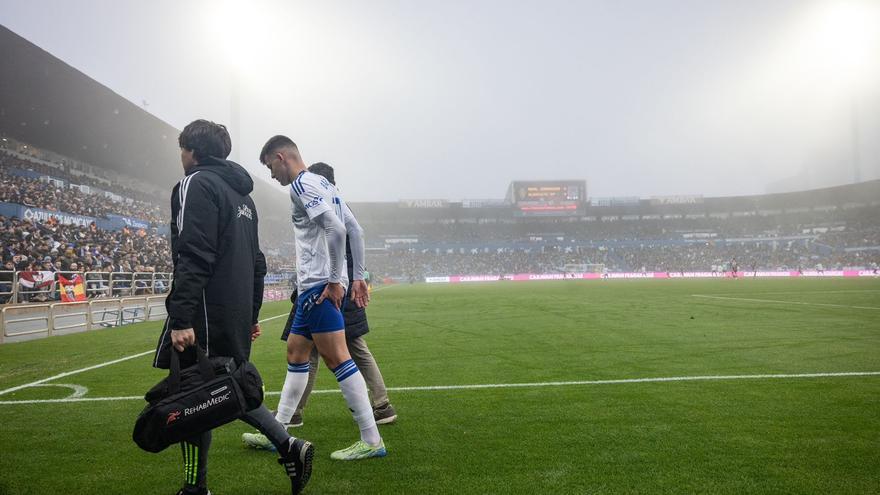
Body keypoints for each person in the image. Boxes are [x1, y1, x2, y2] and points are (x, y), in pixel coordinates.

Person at [151, 120, 314, 495]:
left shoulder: (195, 183)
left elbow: (192, 253)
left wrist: (181, 317)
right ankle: (288, 446)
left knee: (191, 397)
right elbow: (258, 263)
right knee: (224, 389)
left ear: (192, 151)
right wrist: (251, 315)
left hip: (204, 312)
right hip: (234, 312)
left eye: (182, 150)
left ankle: (196, 488)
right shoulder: (244, 197)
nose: (181, 157)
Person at [248, 136, 385, 461]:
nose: (271, 176)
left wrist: (338, 281)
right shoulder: (323, 183)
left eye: (270, 167)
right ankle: (278, 432)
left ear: (281, 157)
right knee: (296, 353)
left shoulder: (301, 186)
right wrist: (358, 277)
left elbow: (336, 230)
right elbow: (356, 230)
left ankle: (371, 439)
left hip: (318, 287)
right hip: (316, 287)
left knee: (339, 358)